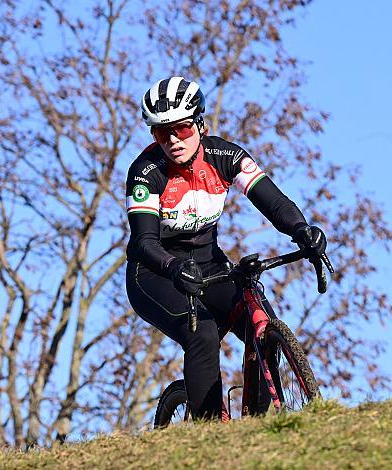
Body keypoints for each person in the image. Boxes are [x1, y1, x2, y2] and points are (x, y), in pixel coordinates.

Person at [125, 76, 328, 420]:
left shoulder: (225, 156)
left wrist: (302, 230)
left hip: (208, 263)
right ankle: (209, 435)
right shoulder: (146, 173)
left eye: (183, 129)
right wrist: (174, 268)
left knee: (260, 321)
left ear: (200, 125)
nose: (174, 140)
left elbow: (274, 202)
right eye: (163, 132)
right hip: (155, 273)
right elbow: (144, 242)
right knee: (202, 333)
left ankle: (258, 424)